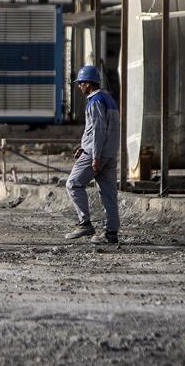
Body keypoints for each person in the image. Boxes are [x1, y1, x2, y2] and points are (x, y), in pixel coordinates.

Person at [64, 65, 120, 244]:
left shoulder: (95, 100)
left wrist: (94, 156)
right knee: (108, 193)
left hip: (96, 153)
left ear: (88, 83)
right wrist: (84, 145)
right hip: (109, 153)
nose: (79, 86)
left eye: (81, 83)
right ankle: (111, 233)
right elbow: (100, 130)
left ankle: (85, 223)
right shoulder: (108, 99)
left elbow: (98, 130)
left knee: (73, 184)